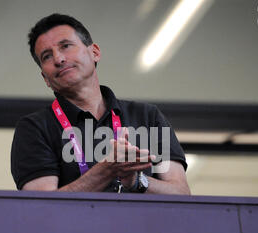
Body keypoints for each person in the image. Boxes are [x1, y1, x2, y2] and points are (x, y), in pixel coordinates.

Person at [11, 13, 190, 195]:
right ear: (45, 78)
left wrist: (136, 181)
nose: (58, 59)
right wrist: (106, 170)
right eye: (47, 56)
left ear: (94, 52)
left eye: (65, 46)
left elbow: (181, 193)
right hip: (76, 225)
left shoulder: (147, 116)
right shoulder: (35, 127)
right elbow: (40, 206)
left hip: (142, 224)